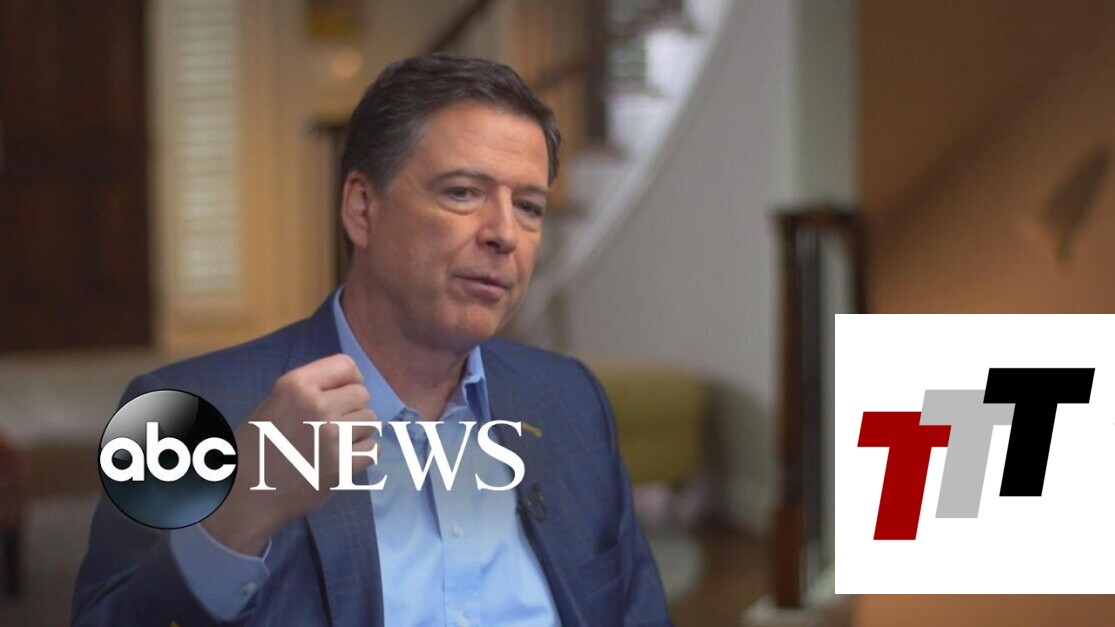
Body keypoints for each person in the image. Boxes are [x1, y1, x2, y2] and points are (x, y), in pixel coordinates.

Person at [72, 53, 671, 626]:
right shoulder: (184, 414)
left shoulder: (570, 400)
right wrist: (239, 515)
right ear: (362, 209)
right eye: (463, 193)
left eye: (530, 207)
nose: (505, 234)